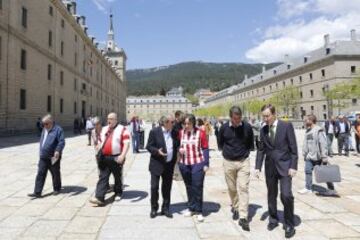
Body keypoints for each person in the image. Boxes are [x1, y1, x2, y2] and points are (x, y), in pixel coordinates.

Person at [255, 104, 298, 239]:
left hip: (285, 166)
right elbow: (261, 150)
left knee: (286, 195)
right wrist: (257, 167)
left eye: (267, 116)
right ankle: (273, 219)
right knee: (271, 195)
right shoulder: (262, 130)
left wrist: (293, 166)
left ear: (274, 114)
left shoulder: (286, 126)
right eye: (263, 116)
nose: (265, 119)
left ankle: (289, 223)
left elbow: (293, 149)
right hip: (270, 167)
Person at [218, 106, 254, 231]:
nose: (237, 121)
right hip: (228, 161)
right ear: (230, 117)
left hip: (243, 161)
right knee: (232, 188)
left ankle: (243, 216)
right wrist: (228, 152)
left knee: (244, 187)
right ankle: (236, 206)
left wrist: (244, 153)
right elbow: (220, 143)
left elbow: (250, 143)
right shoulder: (223, 128)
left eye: (239, 119)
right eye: (235, 119)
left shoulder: (247, 127)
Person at [89, 113, 130, 206]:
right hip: (104, 157)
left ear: (116, 119)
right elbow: (100, 140)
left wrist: (123, 155)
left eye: (111, 119)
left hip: (116, 157)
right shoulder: (104, 129)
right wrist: (99, 148)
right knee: (103, 176)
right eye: (108, 119)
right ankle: (99, 197)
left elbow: (127, 143)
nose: (109, 120)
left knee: (117, 176)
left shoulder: (122, 129)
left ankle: (118, 192)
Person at [178, 114, 209, 222]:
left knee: (197, 186)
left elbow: (205, 148)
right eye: (185, 123)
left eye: (188, 123)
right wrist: (179, 149)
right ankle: (191, 208)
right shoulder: (181, 133)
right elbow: (178, 145)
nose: (186, 125)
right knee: (189, 186)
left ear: (193, 123)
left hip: (198, 162)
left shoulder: (201, 133)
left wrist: (206, 163)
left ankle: (199, 211)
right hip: (184, 163)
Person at [146, 115, 177, 219]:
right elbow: (149, 146)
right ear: (165, 123)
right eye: (172, 122)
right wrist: (157, 151)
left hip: (169, 165)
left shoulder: (174, 132)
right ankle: (154, 208)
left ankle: (166, 208)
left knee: (167, 188)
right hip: (156, 164)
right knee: (154, 187)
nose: (174, 124)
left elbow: (176, 145)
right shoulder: (154, 132)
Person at [28, 114, 65, 198]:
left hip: (53, 157)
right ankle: (37, 192)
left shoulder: (58, 130)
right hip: (43, 156)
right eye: (43, 124)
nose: (44, 126)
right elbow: (43, 141)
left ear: (51, 122)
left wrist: (58, 150)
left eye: (46, 124)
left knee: (55, 173)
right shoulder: (44, 129)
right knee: (40, 173)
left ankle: (57, 188)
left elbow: (61, 142)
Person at [298, 114, 336, 195]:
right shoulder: (308, 131)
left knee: (325, 173)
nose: (305, 121)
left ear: (311, 121)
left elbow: (323, 143)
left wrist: (324, 156)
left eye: (306, 120)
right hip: (309, 156)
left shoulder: (319, 130)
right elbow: (306, 143)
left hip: (319, 157)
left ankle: (331, 189)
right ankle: (308, 188)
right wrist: (305, 154)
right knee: (307, 171)